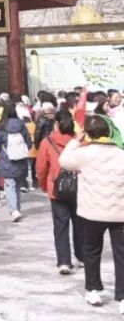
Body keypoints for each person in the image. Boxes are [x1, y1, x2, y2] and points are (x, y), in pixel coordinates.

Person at [60, 114, 124, 311]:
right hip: (120, 212)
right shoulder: (121, 154)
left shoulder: (83, 154)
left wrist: (75, 140)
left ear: (87, 133)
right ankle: (123, 297)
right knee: (122, 255)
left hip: (92, 212)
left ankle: (93, 289)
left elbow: (63, 160)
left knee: (92, 251)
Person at [36, 111, 84, 274]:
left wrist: (44, 186)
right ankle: (82, 256)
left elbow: (41, 169)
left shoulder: (47, 142)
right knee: (80, 224)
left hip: (56, 189)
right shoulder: (80, 142)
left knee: (60, 225)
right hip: (79, 187)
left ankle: (64, 261)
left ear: (56, 124)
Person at [0, 102, 31, 222]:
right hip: (20, 159)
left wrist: (2, 153)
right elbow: (28, 143)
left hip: (6, 159)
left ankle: (14, 210)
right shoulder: (22, 125)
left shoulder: (2, 126)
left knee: (9, 185)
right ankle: (17, 208)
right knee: (17, 184)